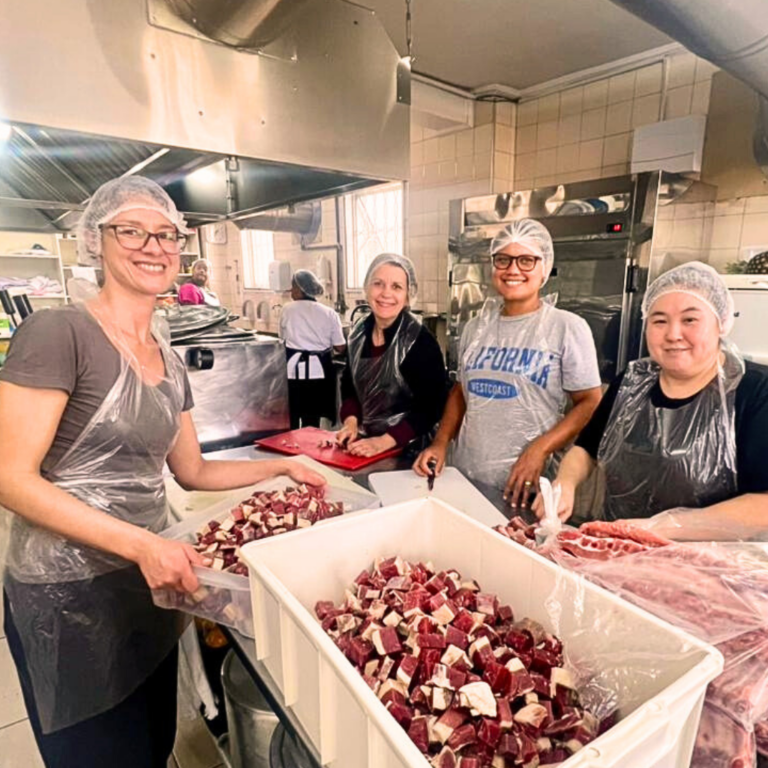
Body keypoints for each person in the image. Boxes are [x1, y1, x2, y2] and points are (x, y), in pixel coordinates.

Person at [0, 176, 325, 768]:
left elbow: (192, 470)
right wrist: (142, 544)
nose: (153, 246)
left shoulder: (168, 359)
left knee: (151, 745)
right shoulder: (59, 333)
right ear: (96, 241)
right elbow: (10, 477)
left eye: (166, 234)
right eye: (131, 231)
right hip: (69, 600)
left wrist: (283, 468)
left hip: (150, 583)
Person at [539, 261, 768, 540]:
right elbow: (586, 449)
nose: (673, 334)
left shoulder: (756, 391)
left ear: (720, 323)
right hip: (617, 549)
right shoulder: (631, 382)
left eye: (689, 320)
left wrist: (659, 527)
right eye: (659, 321)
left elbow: (763, 506)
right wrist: (565, 483)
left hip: (713, 562)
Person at [414, 219, 602, 509]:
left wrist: (539, 449)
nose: (513, 269)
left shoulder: (566, 327)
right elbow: (461, 392)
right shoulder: (475, 329)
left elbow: (590, 402)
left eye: (526, 260)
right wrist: (440, 443)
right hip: (467, 477)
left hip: (527, 486)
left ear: (544, 267)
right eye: (503, 259)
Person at [337, 253, 450, 458]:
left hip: (412, 451)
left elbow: (432, 406)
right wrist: (350, 423)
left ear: (408, 295)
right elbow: (349, 386)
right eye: (378, 284)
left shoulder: (419, 341)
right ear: (367, 288)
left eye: (396, 287)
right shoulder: (357, 335)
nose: (386, 293)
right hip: (363, 446)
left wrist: (384, 442)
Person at [279, 269, 346, 429]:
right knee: (312, 419)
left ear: (301, 289)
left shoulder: (287, 309)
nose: (291, 291)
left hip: (292, 372)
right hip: (319, 373)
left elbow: (282, 339)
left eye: (293, 287)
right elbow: (340, 347)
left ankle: (291, 442)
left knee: (292, 415)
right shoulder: (329, 313)